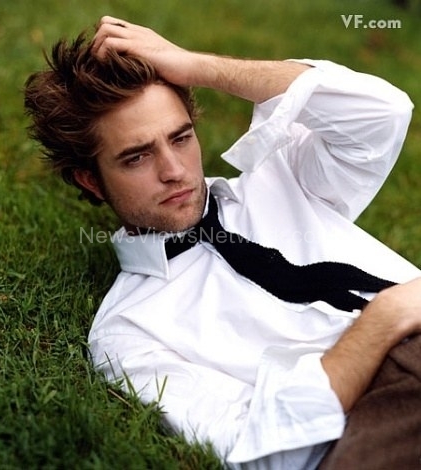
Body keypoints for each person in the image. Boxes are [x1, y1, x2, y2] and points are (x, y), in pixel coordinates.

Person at [24, 16, 421, 469]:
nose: (174, 170)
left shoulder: (286, 177)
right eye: (137, 157)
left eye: (181, 138)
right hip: (369, 422)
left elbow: (383, 113)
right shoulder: (129, 330)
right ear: (91, 181)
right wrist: (383, 319)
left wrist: (196, 66)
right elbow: (256, 446)